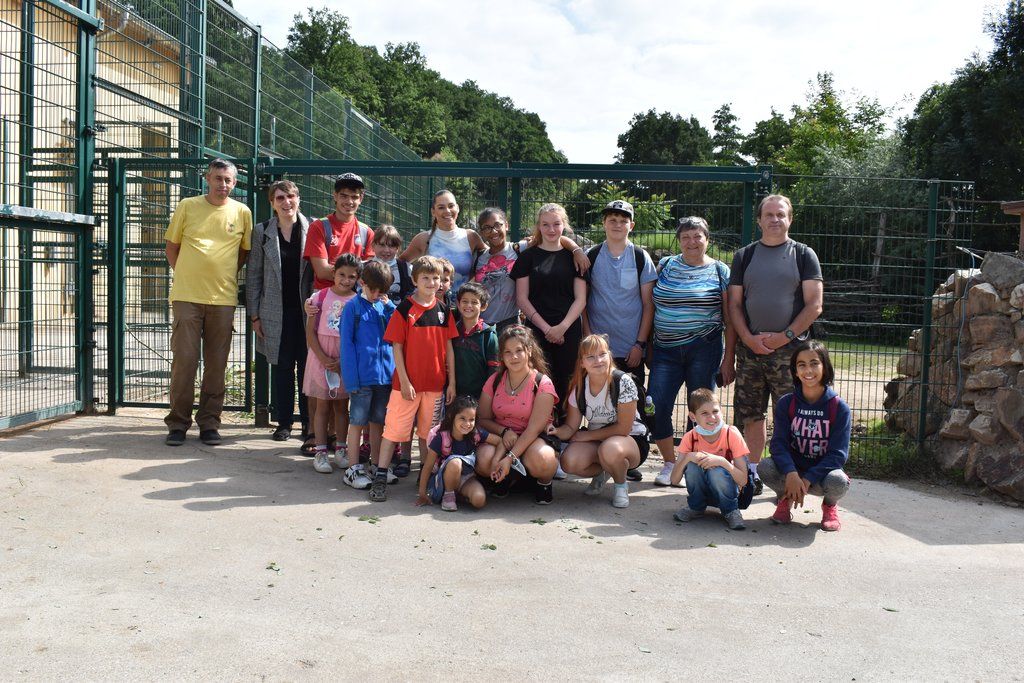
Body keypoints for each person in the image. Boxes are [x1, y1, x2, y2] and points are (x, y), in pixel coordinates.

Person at [728, 194, 823, 492]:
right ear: (758, 220)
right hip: (750, 352)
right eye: (768, 215)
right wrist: (747, 339)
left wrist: (785, 337)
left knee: (794, 417)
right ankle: (752, 476)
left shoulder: (804, 255)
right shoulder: (745, 256)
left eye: (780, 214)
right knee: (750, 416)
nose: (774, 220)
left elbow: (814, 305)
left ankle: (789, 478)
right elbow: (733, 305)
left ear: (790, 219)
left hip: (791, 354)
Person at [163, 159, 252, 447]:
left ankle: (210, 423)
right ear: (207, 178)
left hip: (223, 300)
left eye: (227, 180)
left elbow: (243, 253)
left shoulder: (242, 213)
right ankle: (177, 424)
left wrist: (221, 274)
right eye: (217, 178)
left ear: (234, 183)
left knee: (216, 365)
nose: (222, 184)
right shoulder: (187, 206)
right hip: (187, 297)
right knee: (184, 363)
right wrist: (188, 275)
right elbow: (172, 247)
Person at [648, 216, 734, 486]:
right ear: (678, 241)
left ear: (708, 239)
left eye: (697, 236)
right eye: (685, 237)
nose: (691, 242)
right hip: (664, 349)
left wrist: (729, 358)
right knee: (655, 405)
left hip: (704, 349)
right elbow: (650, 305)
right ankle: (669, 462)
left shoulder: (720, 271)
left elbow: (730, 319)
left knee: (700, 409)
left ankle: (689, 463)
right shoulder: (665, 265)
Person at [371, 256, 458, 502]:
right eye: (426, 278)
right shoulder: (404, 309)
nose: (432, 283)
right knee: (393, 432)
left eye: (436, 278)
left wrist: (451, 382)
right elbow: (396, 348)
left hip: (435, 386)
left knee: (427, 435)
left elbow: (449, 347)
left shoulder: (444, 311)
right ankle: (380, 476)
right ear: (415, 280)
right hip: (406, 387)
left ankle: (425, 477)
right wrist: (406, 381)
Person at [582, 199, 657, 481]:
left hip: (630, 348)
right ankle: (599, 459)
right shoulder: (591, 255)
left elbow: (648, 305)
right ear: (604, 223)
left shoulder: (640, 257)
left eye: (623, 219)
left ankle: (629, 460)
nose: (617, 224)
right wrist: (589, 339)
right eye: (611, 219)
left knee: (632, 409)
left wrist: (640, 343)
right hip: (599, 352)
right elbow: (585, 302)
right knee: (598, 405)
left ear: (631, 225)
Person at [302, 172, 376, 455]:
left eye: (355, 196)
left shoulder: (366, 231)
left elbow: (367, 274)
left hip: (354, 309)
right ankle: (314, 434)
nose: (349, 201)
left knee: (346, 373)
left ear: (362, 198)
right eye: (344, 195)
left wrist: (346, 275)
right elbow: (320, 270)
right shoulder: (320, 227)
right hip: (323, 306)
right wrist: (349, 275)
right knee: (319, 370)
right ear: (334, 196)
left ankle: (339, 439)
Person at [758, 341, 851, 531]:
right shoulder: (787, 403)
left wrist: (807, 479)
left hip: (820, 476)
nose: (808, 370)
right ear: (795, 371)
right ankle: (785, 499)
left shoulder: (839, 408)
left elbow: (838, 455)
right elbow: (778, 445)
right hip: (792, 473)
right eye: (802, 365)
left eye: (814, 363)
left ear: (825, 366)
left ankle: (829, 506)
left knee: (839, 481)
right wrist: (792, 474)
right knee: (765, 466)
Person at [246, 180, 312, 445]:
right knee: (282, 368)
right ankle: (283, 422)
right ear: (272, 203)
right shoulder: (262, 232)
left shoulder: (313, 228)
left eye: (291, 196)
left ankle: (309, 422)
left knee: (308, 369)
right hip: (275, 313)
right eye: (280, 198)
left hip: (308, 314)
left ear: (299, 199)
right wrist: (254, 315)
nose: (287, 202)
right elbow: (254, 275)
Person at [552, 334, 648, 509]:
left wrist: (586, 436)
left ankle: (620, 485)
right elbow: (571, 427)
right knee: (569, 461)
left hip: (631, 441)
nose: (598, 360)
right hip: (598, 441)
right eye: (590, 356)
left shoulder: (623, 381)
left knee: (610, 449)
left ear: (609, 355)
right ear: (582, 362)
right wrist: (556, 431)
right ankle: (606, 471)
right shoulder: (579, 387)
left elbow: (624, 429)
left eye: (602, 354)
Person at [510, 203, 587, 409]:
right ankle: (541, 429)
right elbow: (522, 299)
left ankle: (565, 430)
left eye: (556, 224)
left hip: (568, 331)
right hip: (537, 331)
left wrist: (562, 327)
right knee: (539, 381)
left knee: (568, 381)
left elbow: (581, 299)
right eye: (545, 224)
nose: (551, 230)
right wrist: (547, 329)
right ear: (538, 226)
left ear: (564, 225)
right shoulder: (527, 257)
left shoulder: (575, 258)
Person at [476, 325, 560, 505]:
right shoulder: (495, 380)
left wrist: (509, 458)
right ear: (502, 356)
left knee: (543, 459)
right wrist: (504, 431)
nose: (513, 357)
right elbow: (482, 418)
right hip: (502, 436)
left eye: (518, 350)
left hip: (532, 437)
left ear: (529, 351)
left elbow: (534, 429)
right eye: (507, 352)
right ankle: (507, 480)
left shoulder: (542, 383)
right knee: (483, 459)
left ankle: (542, 483)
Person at [473, 207, 588, 332]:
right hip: (480, 324)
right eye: (487, 228)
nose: (493, 231)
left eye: (497, 225)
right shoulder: (479, 257)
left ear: (506, 225)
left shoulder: (520, 248)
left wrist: (576, 250)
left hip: (508, 324)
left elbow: (555, 237)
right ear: (481, 232)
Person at [339, 260, 396, 491]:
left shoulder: (383, 306)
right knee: (357, 422)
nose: (376, 295)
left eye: (381, 291)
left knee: (378, 423)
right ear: (362, 283)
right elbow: (346, 346)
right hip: (361, 380)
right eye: (373, 289)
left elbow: (395, 331)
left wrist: (390, 306)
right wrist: (351, 380)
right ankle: (353, 468)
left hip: (384, 378)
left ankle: (376, 464)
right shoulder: (352, 308)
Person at [304, 254, 360, 474]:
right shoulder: (318, 298)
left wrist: (342, 361)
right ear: (333, 274)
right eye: (341, 275)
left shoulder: (357, 301)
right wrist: (324, 358)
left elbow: (358, 336)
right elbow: (310, 332)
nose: (346, 280)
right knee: (322, 406)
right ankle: (320, 452)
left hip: (345, 361)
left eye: (351, 276)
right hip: (320, 359)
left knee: (341, 407)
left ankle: (341, 449)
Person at [670, 388, 750, 531]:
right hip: (703, 490)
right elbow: (674, 480)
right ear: (693, 417)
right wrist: (688, 457)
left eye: (715, 411)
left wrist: (722, 462)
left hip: (727, 490)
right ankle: (696, 507)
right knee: (693, 466)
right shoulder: (691, 437)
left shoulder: (730, 434)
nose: (712, 418)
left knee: (717, 471)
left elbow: (743, 480)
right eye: (704, 413)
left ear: (721, 410)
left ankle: (731, 510)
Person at [416, 395, 501, 511]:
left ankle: (459, 496)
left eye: (472, 419)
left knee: (479, 500)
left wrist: (497, 460)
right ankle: (448, 495)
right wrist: (422, 493)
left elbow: (499, 441)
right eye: (462, 418)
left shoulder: (476, 433)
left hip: (466, 478)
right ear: (452, 416)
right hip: (443, 480)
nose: (467, 424)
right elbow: (428, 466)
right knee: (455, 462)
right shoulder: (441, 437)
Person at [400, 190, 487, 293]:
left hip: (464, 305)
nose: (447, 211)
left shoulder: (470, 236)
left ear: (457, 208)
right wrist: (415, 285)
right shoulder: (423, 239)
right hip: (433, 304)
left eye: (451, 206)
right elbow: (401, 263)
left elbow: (492, 255)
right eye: (441, 207)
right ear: (433, 212)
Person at [451, 282, 499, 399]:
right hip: (453, 392)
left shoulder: (489, 335)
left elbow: (494, 368)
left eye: (474, 302)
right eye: (465, 301)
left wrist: (487, 395)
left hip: (479, 396)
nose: (469, 305)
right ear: (458, 303)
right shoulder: (452, 331)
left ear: (483, 306)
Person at [371, 224, 414, 303]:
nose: (386, 250)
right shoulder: (363, 268)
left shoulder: (407, 269)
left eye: (391, 246)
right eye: (382, 245)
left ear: (397, 248)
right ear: (373, 245)